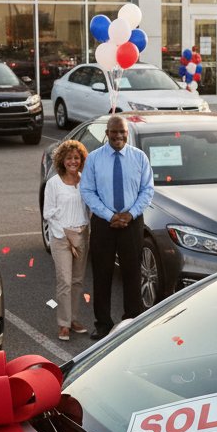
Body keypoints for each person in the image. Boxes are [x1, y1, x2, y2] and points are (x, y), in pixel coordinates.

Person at [80, 114, 154, 341]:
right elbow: (87, 191)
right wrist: (110, 215)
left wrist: (129, 214)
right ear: (107, 133)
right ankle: (103, 324)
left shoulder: (139, 157)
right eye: (114, 132)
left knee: (132, 272)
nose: (118, 136)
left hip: (132, 222)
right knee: (102, 274)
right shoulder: (94, 158)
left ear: (127, 133)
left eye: (122, 132)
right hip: (104, 223)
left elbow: (147, 190)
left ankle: (131, 319)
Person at [43, 139, 91, 340]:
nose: (73, 161)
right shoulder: (54, 183)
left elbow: (90, 207)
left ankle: (73, 318)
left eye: (77, 158)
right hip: (61, 236)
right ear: (62, 160)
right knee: (65, 280)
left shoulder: (85, 181)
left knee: (78, 280)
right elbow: (48, 213)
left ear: (81, 160)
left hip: (81, 233)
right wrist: (62, 234)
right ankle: (63, 324)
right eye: (69, 158)